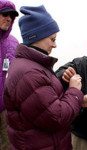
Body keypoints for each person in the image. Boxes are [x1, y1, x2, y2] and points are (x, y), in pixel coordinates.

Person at [3, 5, 84, 150]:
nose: (55, 44)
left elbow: (46, 102)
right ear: (37, 36)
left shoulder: (32, 66)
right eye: (52, 39)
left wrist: (79, 99)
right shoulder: (29, 74)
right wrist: (74, 92)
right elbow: (56, 118)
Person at [0, 0, 19, 149]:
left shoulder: (14, 43)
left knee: (9, 146)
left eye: (12, 16)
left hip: (6, 109)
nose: (9, 18)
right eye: (4, 14)